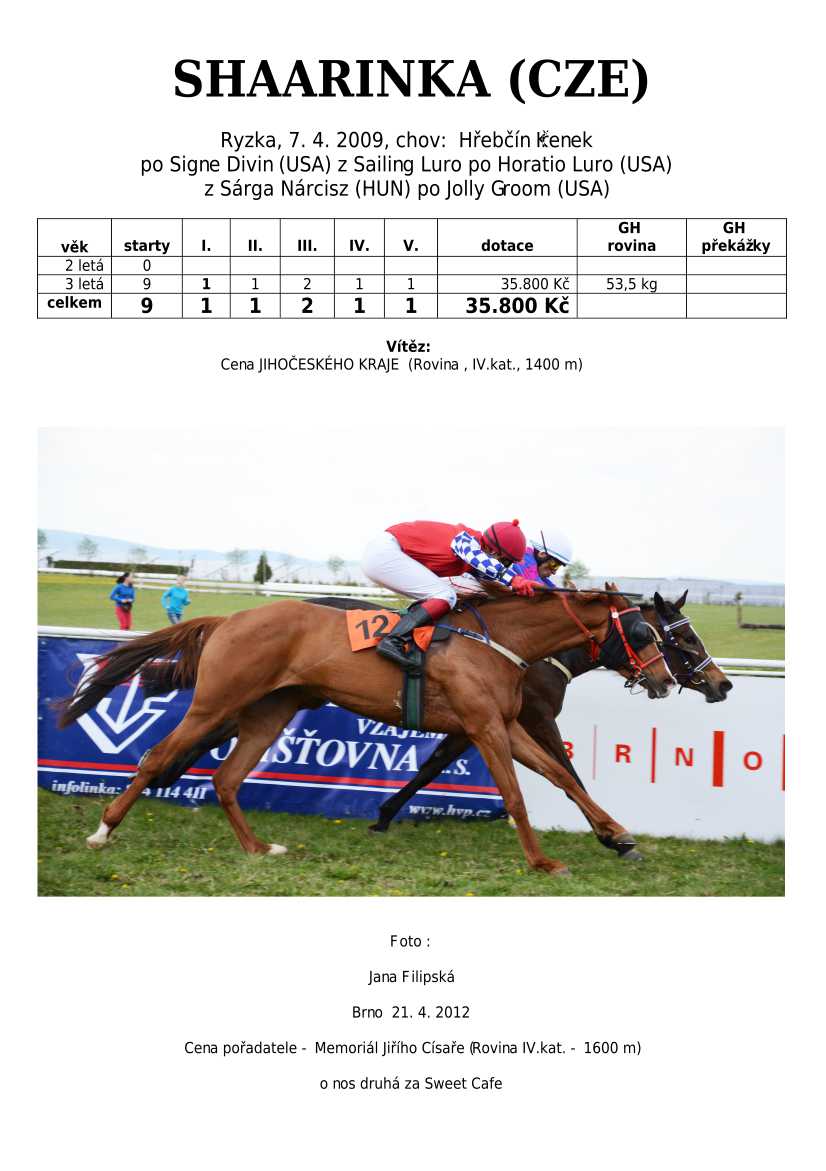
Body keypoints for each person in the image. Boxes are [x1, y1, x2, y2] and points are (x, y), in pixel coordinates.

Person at [361, 519, 535, 670]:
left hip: (387, 552)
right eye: (506, 562)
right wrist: (513, 579)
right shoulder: (464, 539)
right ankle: (393, 640)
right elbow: (481, 561)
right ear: (493, 551)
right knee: (446, 595)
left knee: (458, 592)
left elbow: (488, 579)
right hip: (385, 552)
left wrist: (523, 590)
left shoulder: (477, 553)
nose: (505, 566)